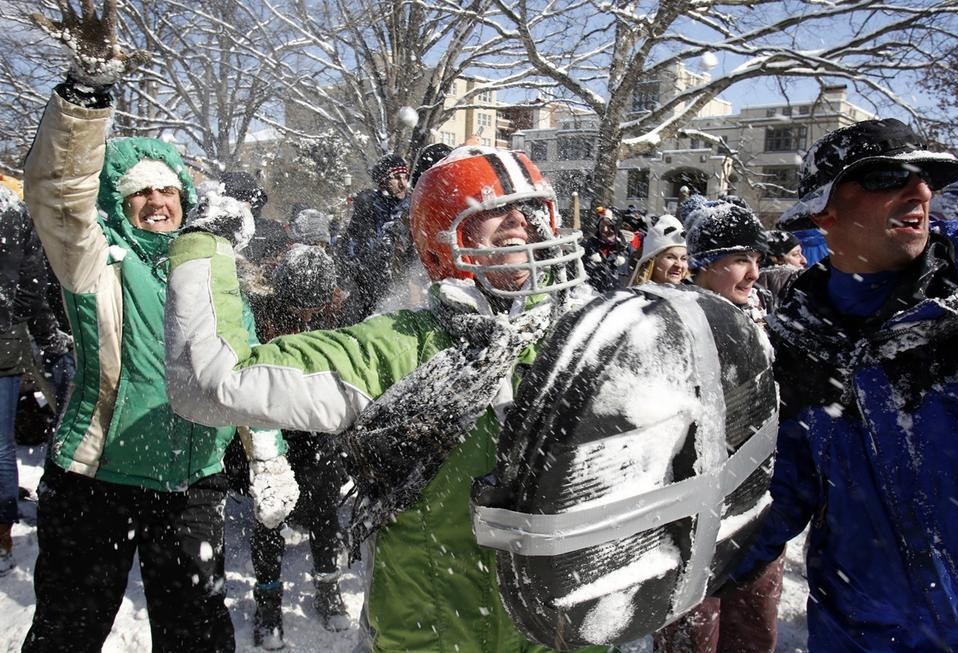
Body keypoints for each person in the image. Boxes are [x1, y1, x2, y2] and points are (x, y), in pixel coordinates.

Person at [162, 146, 618, 653]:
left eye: (531, 211)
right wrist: (204, 242)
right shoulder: (399, 347)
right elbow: (213, 381)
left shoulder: (590, 335)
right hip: (432, 636)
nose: (520, 219)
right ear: (445, 241)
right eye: (494, 208)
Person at [22, 6, 295, 651]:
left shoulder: (211, 265)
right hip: (96, 482)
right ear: (120, 201)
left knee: (198, 637)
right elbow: (58, 188)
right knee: (68, 634)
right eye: (140, 192)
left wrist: (269, 458)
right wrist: (87, 96)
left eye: (167, 190)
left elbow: (245, 368)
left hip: (190, 484)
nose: (156, 201)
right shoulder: (93, 258)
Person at [730, 118, 958, 652]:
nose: (921, 191)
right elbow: (784, 486)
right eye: (889, 176)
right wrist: (702, 573)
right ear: (825, 209)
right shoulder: (796, 339)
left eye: (926, 177)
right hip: (859, 631)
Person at [652, 201, 783, 653]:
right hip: (693, 519)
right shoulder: (670, 322)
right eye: (740, 260)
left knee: (754, 631)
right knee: (693, 635)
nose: (753, 273)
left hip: (758, 511)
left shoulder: (759, 318)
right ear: (705, 264)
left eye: (757, 260)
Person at [246, 245, 351, 648]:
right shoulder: (261, 308)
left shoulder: (342, 306)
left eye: (315, 308)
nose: (307, 317)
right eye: (298, 309)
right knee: (270, 511)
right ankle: (268, 601)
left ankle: (328, 588)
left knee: (325, 508)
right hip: (271, 421)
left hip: (320, 423)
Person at [0, 185, 72, 576]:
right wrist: (50, 337)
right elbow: (30, 288)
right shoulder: (16, 214)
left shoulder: (22, 215)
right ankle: (6, 534)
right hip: (16, 340)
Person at [343, 153, 412, 320]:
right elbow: (352, 247)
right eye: (396, 178)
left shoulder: (411, 205)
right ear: (383, 182)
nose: (403, 183)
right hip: (371, 289)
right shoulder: (369, 207)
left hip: (406, 287)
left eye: (405, 177)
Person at [628, 214, 688, 286]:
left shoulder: (692, 295)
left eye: (684, 258)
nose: (679, 265)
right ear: (651, 260)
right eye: (670, 257)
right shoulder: (634, 296)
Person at [583, 210, 631, 291]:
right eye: (602, 226)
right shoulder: (590, 245)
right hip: (594, 296)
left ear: (614, 227)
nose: (605, 230)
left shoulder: (625, 247)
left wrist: (624, 261)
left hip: (619, 296)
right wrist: (590, 259)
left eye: (608, 225)